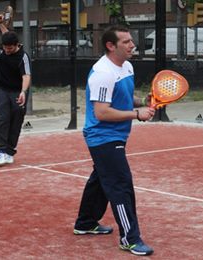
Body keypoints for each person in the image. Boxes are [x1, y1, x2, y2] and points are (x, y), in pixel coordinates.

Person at [73, 25, 155, 256]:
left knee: (100, 180)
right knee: (121, 185)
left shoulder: (126, 67)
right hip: (103, 137)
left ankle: (85, 223)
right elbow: (102, 113)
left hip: (116, 135)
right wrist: (136, 115)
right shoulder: (103, 73)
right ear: (111, 46)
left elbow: (124, 98)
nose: (132, 45)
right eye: (126, 42)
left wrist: (141, 102)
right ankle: (130, 238)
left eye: (131, 41)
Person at [0, 14, 31, 166]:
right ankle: (0, 151)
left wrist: (23, 92)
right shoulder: (6, 44)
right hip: (2, 90)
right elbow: (5, 33)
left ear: (16, 45)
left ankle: (9, 151)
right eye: (4, 48)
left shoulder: (23, 57)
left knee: (16, 120)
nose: (7, 50)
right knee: (3, 118)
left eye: (10, 48)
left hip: (17, 91)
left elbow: (26, 76)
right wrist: (1, 23)